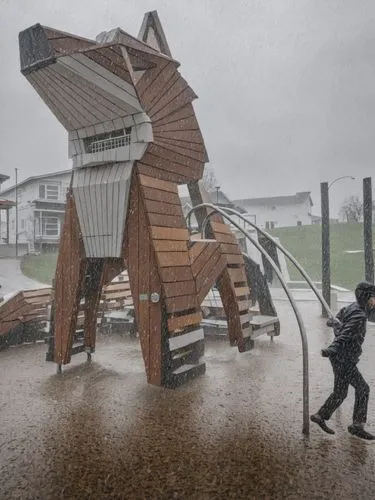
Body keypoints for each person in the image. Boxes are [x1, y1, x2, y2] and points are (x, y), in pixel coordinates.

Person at [311, 281, 375, 440]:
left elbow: (336, 319)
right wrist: (332, 347)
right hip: (344, 358)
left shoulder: (353, 307)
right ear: (367, 297)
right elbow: (345, 334)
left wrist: (335, 323)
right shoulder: (359, 316)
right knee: (363, 389)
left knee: (340, 392)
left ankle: (320, 416)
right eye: (373, 297)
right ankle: (357, 425)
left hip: (338, 358)